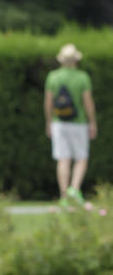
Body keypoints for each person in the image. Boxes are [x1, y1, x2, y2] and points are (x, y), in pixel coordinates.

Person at [44, 43, 97, 207]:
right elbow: (87, 103)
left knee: (63, 159)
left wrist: (48, 122)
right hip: (78, 123)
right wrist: (92, 121)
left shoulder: (53, 77)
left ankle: (64, 195)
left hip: (59, 123)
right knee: (81, 157)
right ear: (75, 60)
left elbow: (48, 103)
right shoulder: (82, 77)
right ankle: (74, 188)